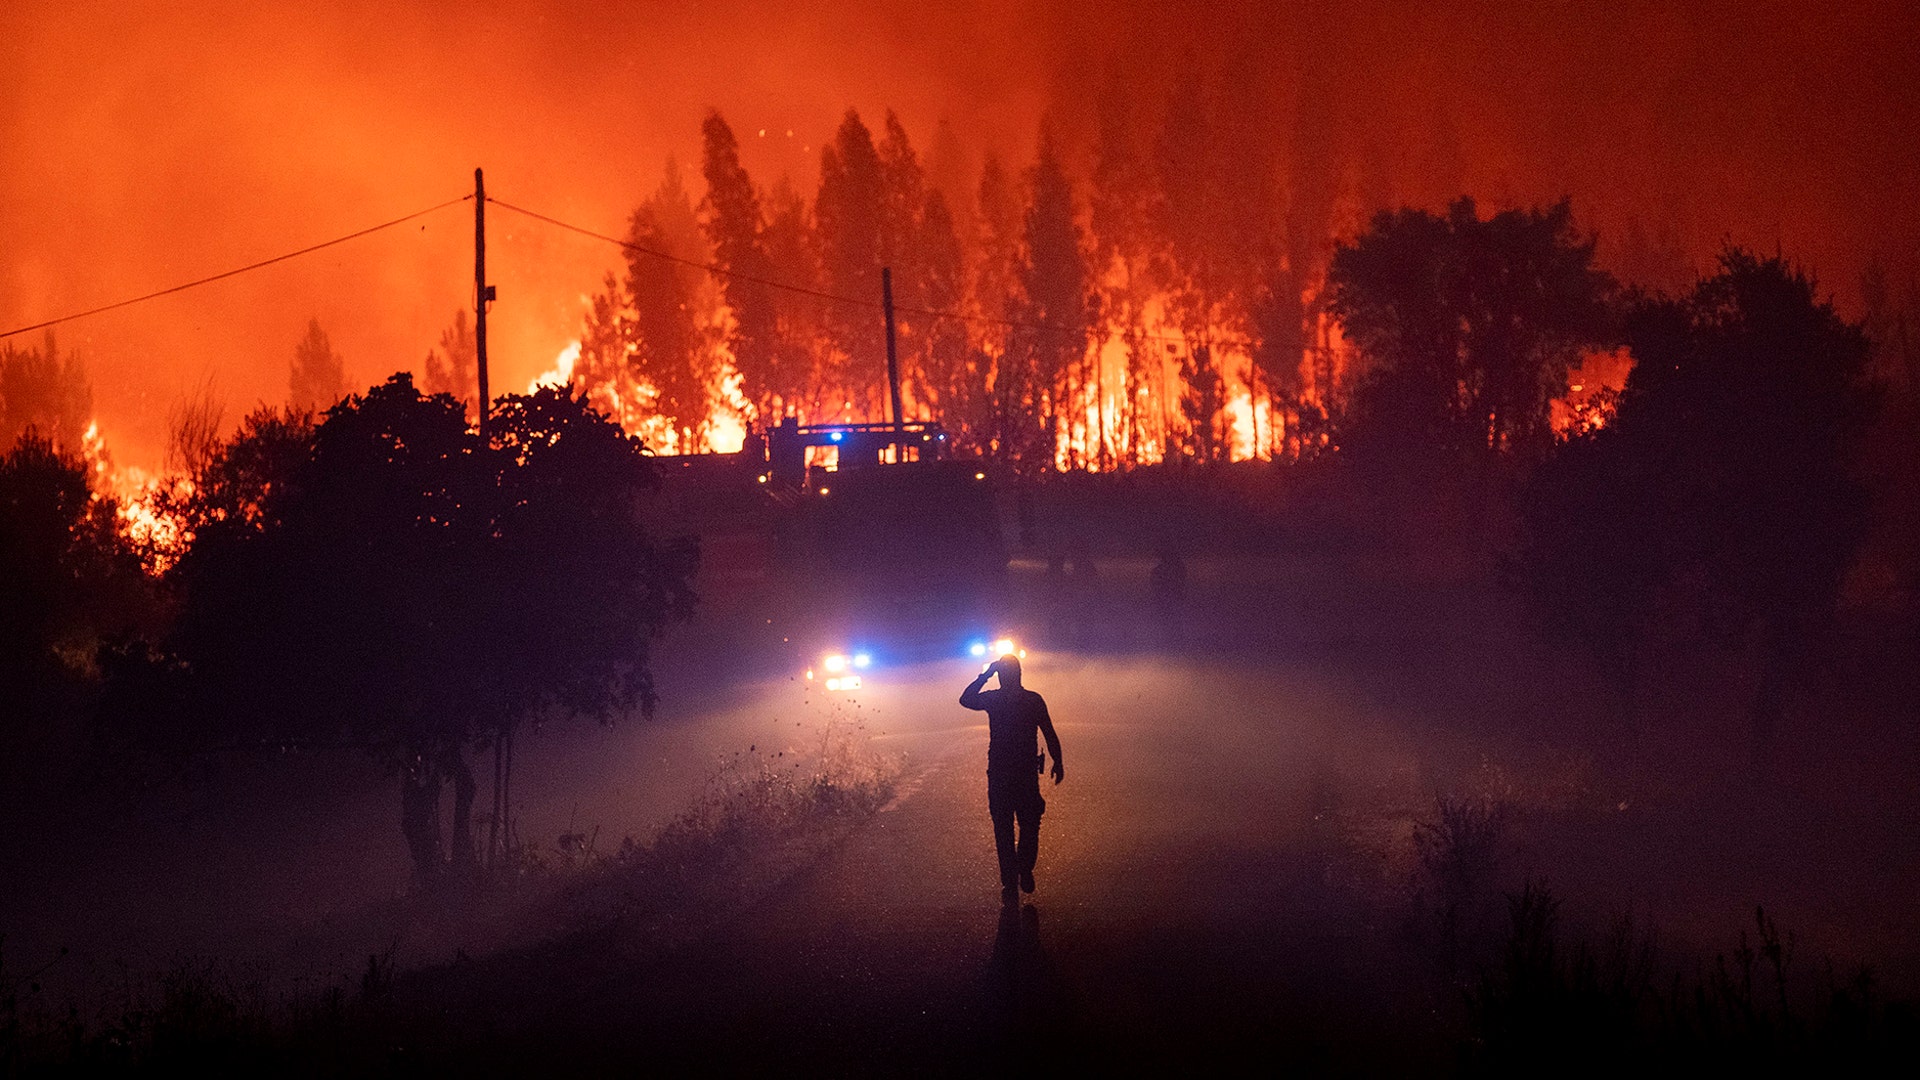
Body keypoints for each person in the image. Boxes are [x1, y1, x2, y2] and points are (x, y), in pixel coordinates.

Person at [960, 655, 1064, 905]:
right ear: (1020, 674)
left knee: (1003, 827)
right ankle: (1024, 868)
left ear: (1000, 675)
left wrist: (986, 674)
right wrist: (1057, 761)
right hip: (1025, 774)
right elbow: (1049, 732)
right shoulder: (1032, 700)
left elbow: (966, 699)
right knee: (1029, 825)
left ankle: (1009, 877)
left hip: (1000, 773)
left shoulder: (994, 699)